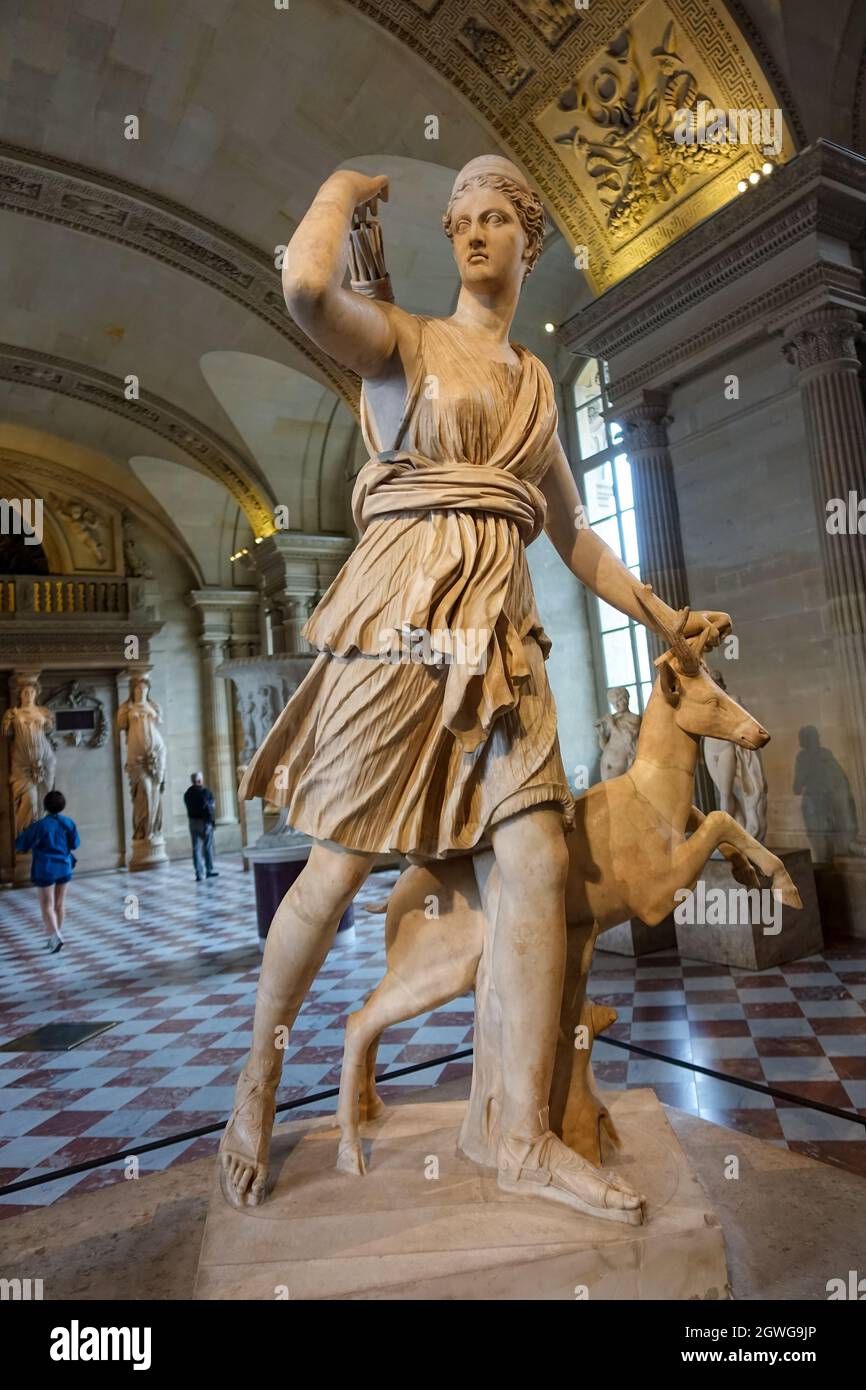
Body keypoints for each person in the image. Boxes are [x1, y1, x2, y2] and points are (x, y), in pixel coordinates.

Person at [218, 155, 730, 1217]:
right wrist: (338, 189)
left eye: (498, 218)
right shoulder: (404, 341)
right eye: (462, 220)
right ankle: (257, 1082)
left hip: (501, 647)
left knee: (536, 862)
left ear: (527, 242)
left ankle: (517, 1132)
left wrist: (660, 616)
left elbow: (575, 536)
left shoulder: (536, 384)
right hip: (401, 628)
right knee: (334, 870)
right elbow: (309, 291)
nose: (477, 234)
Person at [15, 788, 79, 953]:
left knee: (47, 905)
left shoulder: (40, 825)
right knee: (60, 904)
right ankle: (56, 936)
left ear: (45, 806)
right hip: (65, 866)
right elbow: (75, 844)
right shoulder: (69, 823)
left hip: (46, 868)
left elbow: (21, 844)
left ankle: (55, 937)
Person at [184, 772, 218, 881]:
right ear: (199, 781)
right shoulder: (205, 792)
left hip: (192, 822)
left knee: (196, 849)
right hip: (204, 822)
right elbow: (211, 807)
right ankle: (209, 870)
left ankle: (198, 873)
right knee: (207, 847)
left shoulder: (187, 793)